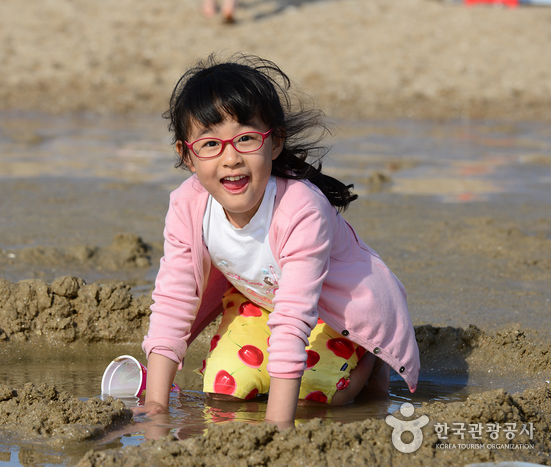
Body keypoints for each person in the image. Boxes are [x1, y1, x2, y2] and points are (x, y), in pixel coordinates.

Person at [134, 53, 420, 425]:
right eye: (209, 144)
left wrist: (276, 428)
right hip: (259, 300)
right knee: (224, 391)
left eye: (247, 139)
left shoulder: (300, 208)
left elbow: (295, 317)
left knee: (315, 397)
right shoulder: (187, 205)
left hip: (331, 312)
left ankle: (369, 360)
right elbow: (173, 301)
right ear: (186, 155)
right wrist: (156, 408)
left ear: (275, 142)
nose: (231, 158)